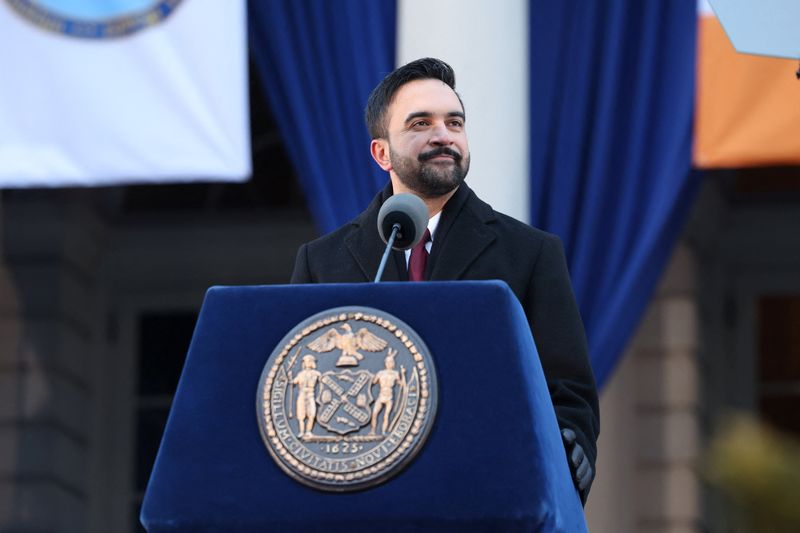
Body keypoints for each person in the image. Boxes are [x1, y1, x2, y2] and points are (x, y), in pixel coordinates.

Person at [290, 57, 599, 503]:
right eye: (421, 123)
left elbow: (568, 389)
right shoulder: (322, 261)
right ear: (382, 153)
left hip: (484, 494)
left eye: (454, 122)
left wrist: (571, 445)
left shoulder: (530, 253)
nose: (443, 135)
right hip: (363, 501)